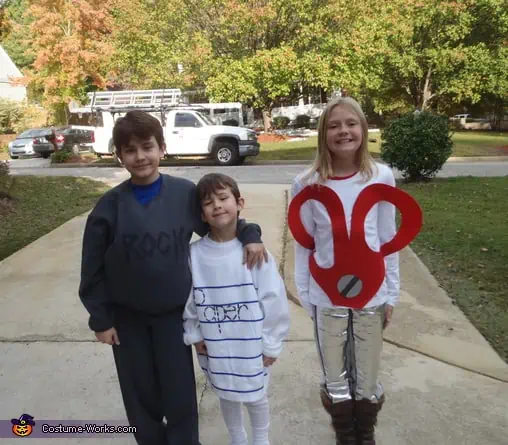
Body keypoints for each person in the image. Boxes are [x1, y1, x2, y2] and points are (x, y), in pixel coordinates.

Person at [78, 111, 268, 445]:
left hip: (173, 317)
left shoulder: (183, 195)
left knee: (179, 394)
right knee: (141, 396)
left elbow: (219, 220)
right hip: (127, 320)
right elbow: (92, 268)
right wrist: (101, 318)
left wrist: (250, 232)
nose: (140, 156)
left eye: (147, 147)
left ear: (161, 148)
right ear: (119, 156)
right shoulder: (109, 207)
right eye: (130, 150)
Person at [289, 97, 417, 445]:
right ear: (322, 134)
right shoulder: (306, 183)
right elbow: (304, 246)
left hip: (372, 294)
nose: (343, 131)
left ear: (362, 129)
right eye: (334, 125)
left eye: (351, 123)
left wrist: (391, 293)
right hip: (325, 295)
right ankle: (345, 436)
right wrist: (306, 296)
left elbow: (388, 240)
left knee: (367, 376)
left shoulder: (381, 176)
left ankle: (366, 435)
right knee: (335, 376)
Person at [183, 173, 290, 445]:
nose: (217, 206)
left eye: (223, 198)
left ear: (239, 202)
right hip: (216, 344)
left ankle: (261, 439)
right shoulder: (194, 254)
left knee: (256, 395)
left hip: (251, 345)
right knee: (226, 394)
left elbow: (273, 299)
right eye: (209, 203)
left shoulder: (255, 253)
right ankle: (237, 438)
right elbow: (189, 300)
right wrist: (194, 334)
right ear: (202, 215)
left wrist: (271, 343)